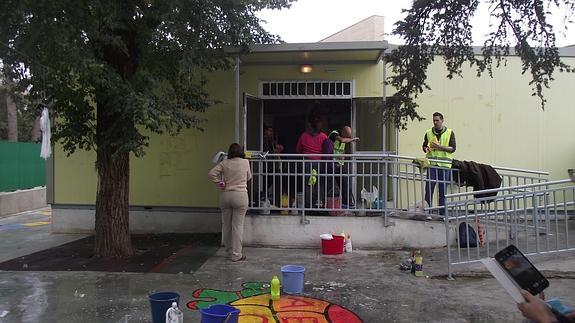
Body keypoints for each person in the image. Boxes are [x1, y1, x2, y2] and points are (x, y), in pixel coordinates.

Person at [208, 143, 252, 262]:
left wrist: (220, 183)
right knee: (237, 226)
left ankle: (228, 252)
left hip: (226, 195)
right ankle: (236, 254)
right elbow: (248, 177)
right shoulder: (245, 162)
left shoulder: (224, 163)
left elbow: (211, 173)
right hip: (240, 195)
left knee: (227, 225)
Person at [422, 112, 456, 216]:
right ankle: (428, 213)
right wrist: (426, 148)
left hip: (444, 166)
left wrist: (440, 147)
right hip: (432, 165)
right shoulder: (428, 132)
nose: (435, 122)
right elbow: (424, 146)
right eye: (434, 120)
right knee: (429, 190)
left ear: (442, 120)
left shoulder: (450, 132)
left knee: (442, 192)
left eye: (437, 120)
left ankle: (442, 214)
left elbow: (452, 148)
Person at [324, 126, 360, 207]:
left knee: (345, 183)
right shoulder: (334, 134)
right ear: (343, 132)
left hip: (339, 164)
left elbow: (341, 152)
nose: (347, 138)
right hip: (330, 164)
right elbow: (342, 140)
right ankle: (327, 204)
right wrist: (353, 139)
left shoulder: (345, 140)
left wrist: (342, 156)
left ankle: (346, 203)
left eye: (349, 136)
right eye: (347, 136)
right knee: (329, 185)